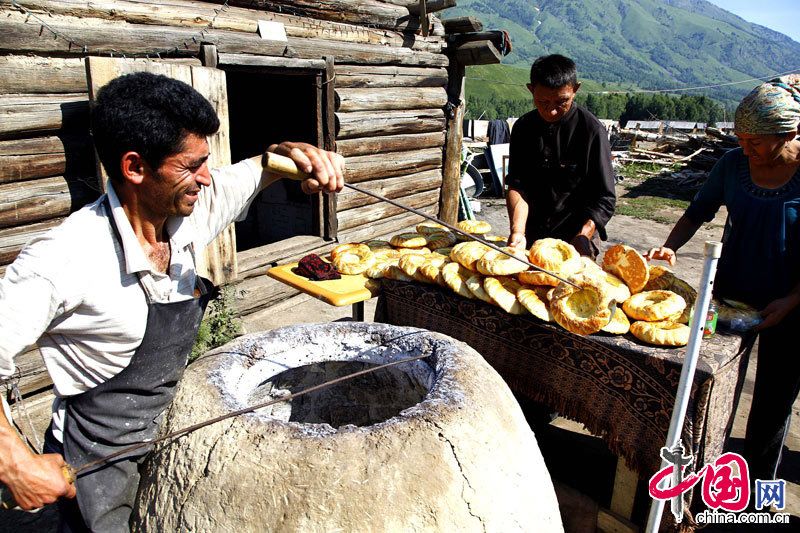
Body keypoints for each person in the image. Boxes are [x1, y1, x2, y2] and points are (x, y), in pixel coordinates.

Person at [0, 72, 344, 531]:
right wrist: (14, 464)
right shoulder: (64, 259)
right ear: (135, 168)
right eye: (191, 166)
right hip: (92, 470)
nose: (206, 178)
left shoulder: (189, 209)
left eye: (207, 162)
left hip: (165, 439)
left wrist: (294, 153)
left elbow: (261, 167)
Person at [645, 75, 800, 484]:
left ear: (789, 134)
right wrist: (670, 246)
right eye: (741, 139)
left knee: (773, 402)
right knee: (710, 379)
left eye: (756, 143)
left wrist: (791, 301)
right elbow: (698, 210)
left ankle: (760, 492)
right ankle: (705, 473)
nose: (745, 150)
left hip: (790, 305)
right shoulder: (732, 164)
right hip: (728, 295)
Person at [505, 54, 616, 258]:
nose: (552, 111)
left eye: (561, 101)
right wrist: (518, 232)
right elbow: (517, 186)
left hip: (576, 240)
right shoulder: (523, 128)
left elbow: (605, 197)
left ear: (575, 89)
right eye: (543, 101)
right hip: (531, 239)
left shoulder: (591, 131)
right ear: (531, 90)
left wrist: (584, 235)